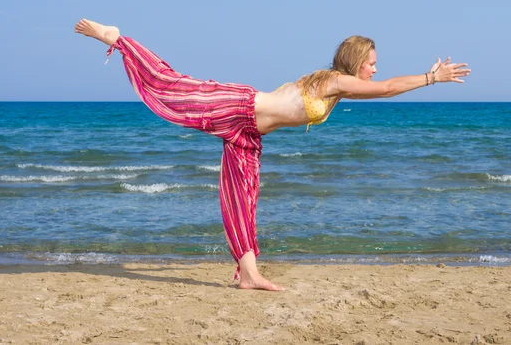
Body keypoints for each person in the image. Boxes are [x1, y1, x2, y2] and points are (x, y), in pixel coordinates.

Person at [75, 18, 471, 291]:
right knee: (176, 87)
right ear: (355, 62)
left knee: (242, 199)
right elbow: (386, 89)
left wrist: (424, 77)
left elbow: (380, 86)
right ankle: (116, 39)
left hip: (248, 132)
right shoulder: (334, 80)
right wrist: (432, 77)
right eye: (371, 62)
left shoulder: (337, 85)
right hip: (239, 106)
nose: (375, 68)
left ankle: (247, 274)